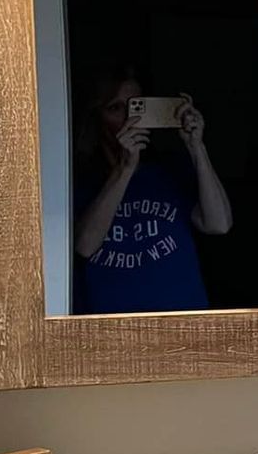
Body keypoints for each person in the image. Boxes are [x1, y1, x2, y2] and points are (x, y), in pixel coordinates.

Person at [72, 67, 233, 314]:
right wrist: (124, 170)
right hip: (110, 328)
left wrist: (196, 147)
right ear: (97, 118)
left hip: (181, 321)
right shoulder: (78, 179)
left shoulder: (169, 169)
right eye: (116, 108)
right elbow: (85, 246)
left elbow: (219, 224)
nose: (129, 118)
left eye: (137, 106)